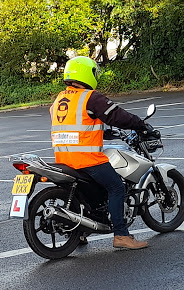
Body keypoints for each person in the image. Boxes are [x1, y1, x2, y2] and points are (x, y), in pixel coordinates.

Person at [50, 56, 155, 250]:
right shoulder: (90, 97)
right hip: (87, 160)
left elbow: (74, 126)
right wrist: (141, 124)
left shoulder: (60, 99)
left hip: (64, 159)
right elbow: (117, 115)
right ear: (87, 74)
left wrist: (103, 132)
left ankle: (80, 232)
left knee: (87, 196)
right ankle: (122, 236)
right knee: (116, 188)